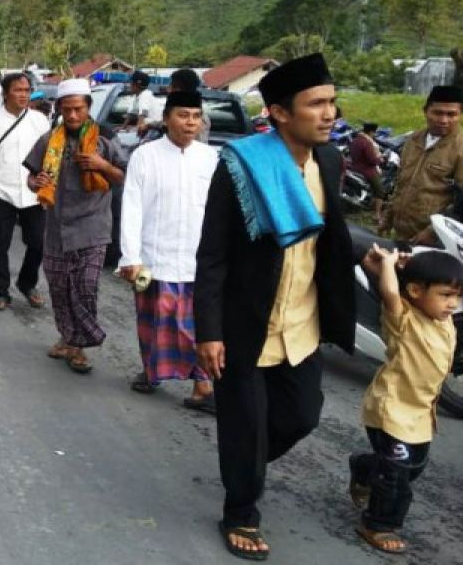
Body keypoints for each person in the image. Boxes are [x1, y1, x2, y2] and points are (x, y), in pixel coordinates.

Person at [194, 53, 358, 560]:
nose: (329, 113)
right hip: (247, 323)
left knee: (302, 416)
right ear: (281, 113)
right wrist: (208, 329)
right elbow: (213, 254)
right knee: (246, 421)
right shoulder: (241, 165)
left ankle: (244, 462)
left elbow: (331, 239)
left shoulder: (329, 160)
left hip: (302, 323)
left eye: (332, 102)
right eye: (317, 104)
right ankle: (240, 509)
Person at [348, 246, 461, 555]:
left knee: (412, 468)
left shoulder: (444, 321)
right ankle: (379, 524)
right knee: (397, 477)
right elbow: (389, 290)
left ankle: (363, 467)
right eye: (446, 295)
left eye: (457, 296)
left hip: (421, 416)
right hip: (392, 411)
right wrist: (387, 263)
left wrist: (407, 268)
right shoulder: (404, 320)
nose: (453, 304)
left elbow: (412, 283)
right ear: (414, 291)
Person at [117, 91, 218, 409]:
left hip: (197, 259)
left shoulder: (211, 157)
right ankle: (151, 371)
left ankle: (202, 384)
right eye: (183, 115)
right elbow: (131, 207)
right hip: (150, 259)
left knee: (195, 324)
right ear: (166, 119)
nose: (190, 123)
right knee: (152, 319)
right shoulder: (145, 156)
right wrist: (130, 257)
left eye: (195, 116)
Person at [25, 79, 126, 370]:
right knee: (59, 287)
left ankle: (80, 346)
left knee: (85, 287)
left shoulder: (105, 139)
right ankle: (67, 337)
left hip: (93, 228)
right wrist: (37, 182)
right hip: (56, 228)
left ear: (88, 108)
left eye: (78, 109)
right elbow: (31, 178)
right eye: (67, 110)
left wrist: (102, 165)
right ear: (59, 108)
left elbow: (124, 176)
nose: (72, 116)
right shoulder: (48, 140)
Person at [0, 72, 51, 311]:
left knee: (38, 243)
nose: (23, 95)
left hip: (33, 193)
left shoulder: (40, 121)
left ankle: (27, 283)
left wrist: (48, 183)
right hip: (0, 191)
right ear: (6, 94)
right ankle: (1, 292)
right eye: (18, 90)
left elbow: (50, 156)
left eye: (27, 90)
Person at [381, 85, 463, 244]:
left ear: (459, 115)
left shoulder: (460, 148)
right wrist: (388, 216)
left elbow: (461, 204)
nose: (444, 120)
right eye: (438, 113)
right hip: (402, 233)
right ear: (426, 111)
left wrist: (433, 231)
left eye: (451, 114)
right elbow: (401, 183)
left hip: (436, 239)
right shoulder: (413, 140)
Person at [348, 121, 386, 225]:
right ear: (371, 132)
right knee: (380, 191)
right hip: (367, 170)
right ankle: (377, 215)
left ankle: (371, 208)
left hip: (355, 167)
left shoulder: (355, 141)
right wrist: (380, 159)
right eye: (374, 132)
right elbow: (372, 160)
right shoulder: (367, 143)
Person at [123, 70, 162, 137]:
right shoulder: (137, 96)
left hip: (153, 130)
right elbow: (131, 114)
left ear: (136, 85)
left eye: (131, 83)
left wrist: (137, 129)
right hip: (147, 128)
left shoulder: (145, 95)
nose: (129, 85)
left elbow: (143, 113)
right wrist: (123, 127)